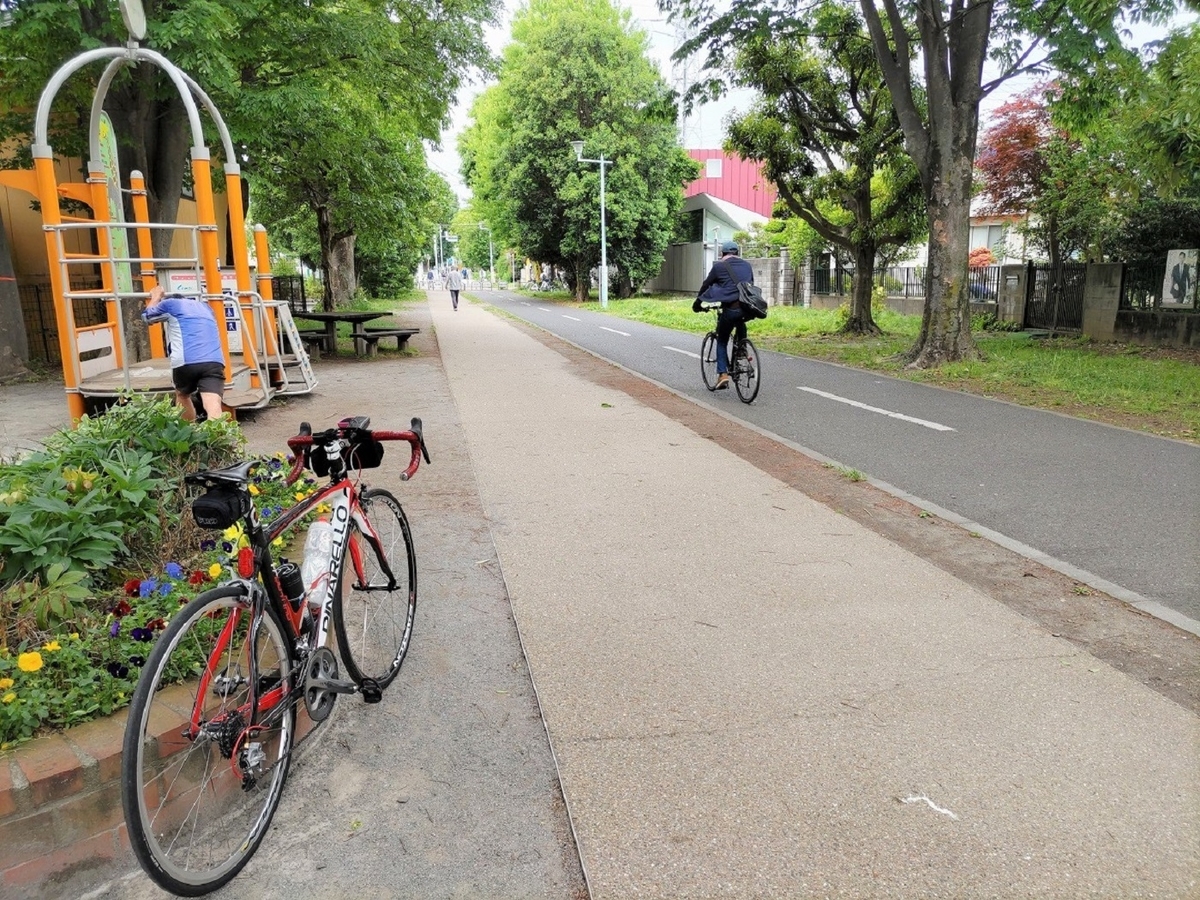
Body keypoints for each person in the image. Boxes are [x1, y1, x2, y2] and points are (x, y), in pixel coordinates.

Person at [142, 284, 226, 421]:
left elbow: (147, 317)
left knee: (182, 394)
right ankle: (216, 438)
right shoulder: (206, 308)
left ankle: (188, 432)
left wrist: (156, 296)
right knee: (212, 401)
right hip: (214, 361)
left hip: (186, 361)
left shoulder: (169, 304)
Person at [693, 240, 754, 389]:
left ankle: (723, 374)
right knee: (740, 321)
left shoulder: (719, 266)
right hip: (747, 307)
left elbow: (706, 284)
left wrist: (698, 303)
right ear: (737, 253)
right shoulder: (747, 265)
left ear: (722, 253)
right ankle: (742, 348)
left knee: (722, 340)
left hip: (731, 307)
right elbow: (750, 284)